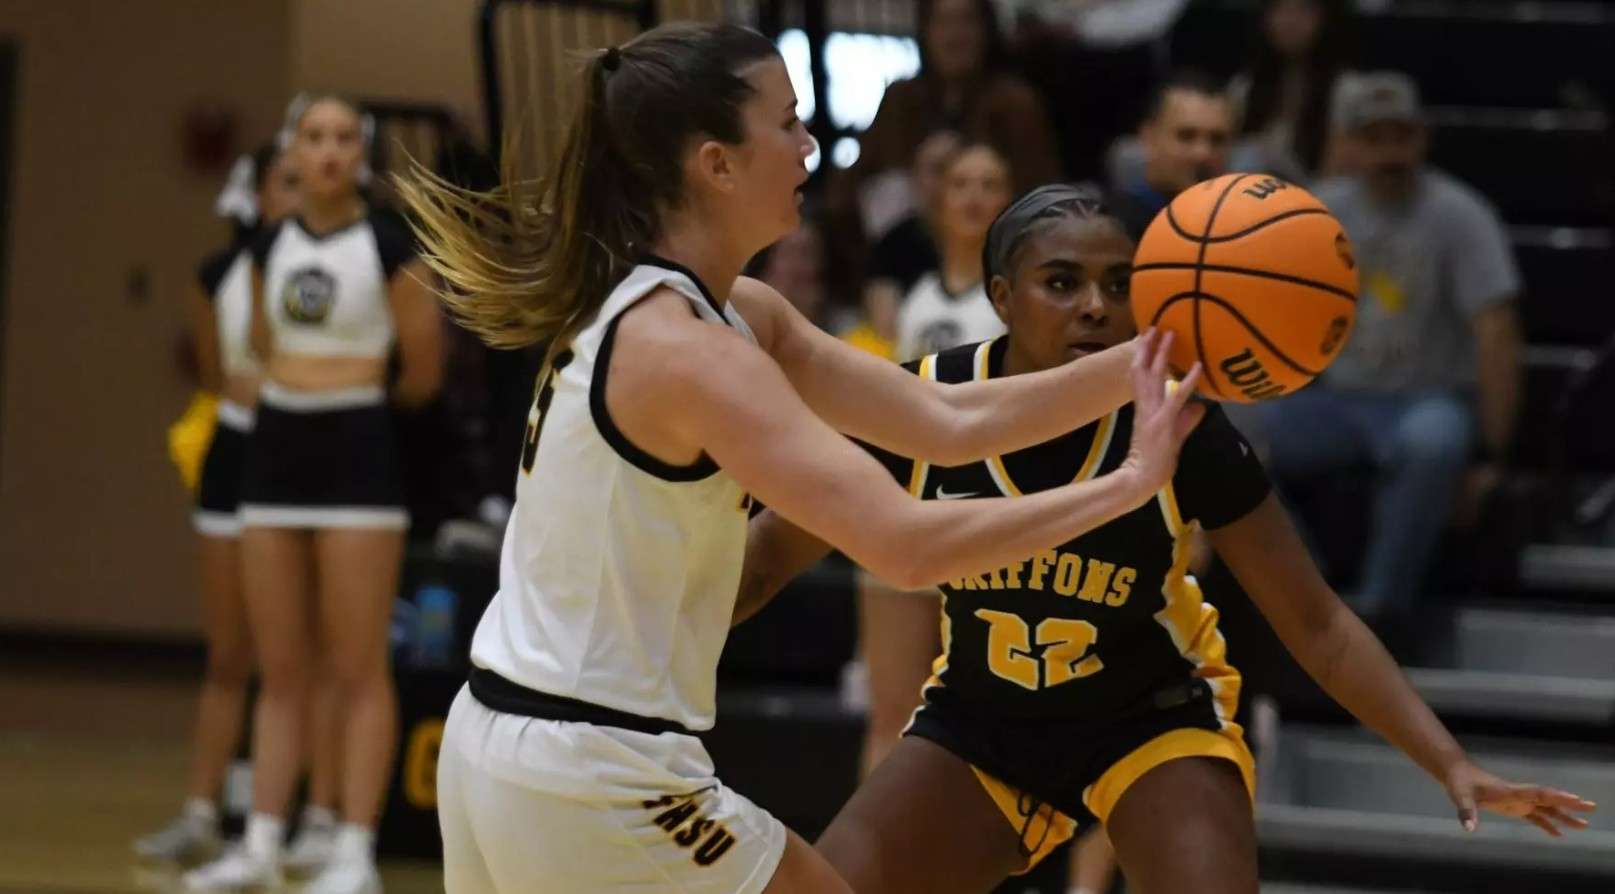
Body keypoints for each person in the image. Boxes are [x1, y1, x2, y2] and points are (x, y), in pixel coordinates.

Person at [396, 23, 1205, 893]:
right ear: (717, 163)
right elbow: (903, 544)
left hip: (506, 744)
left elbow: (944, 418)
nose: (811, 144)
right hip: (590, 762)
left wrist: (1153, 364)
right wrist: (1128, 485)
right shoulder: (688, 354)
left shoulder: (724, 312)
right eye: (788, 122)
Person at [734, 184, 1595, 894]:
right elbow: (771, 556)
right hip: (982, 718)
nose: (1096, 308)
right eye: (1061, 283)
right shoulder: (910, 409)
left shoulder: (1184, 426)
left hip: (1150, 720)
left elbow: (1319, 627)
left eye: (1119, 285)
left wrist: (1446, 763)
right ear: (1000, 298)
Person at [183, 94, 443, 894]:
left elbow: (421, 375)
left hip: (358, 467)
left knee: (358, 666)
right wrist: (317, 375)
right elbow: (260, 352)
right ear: (290, 153)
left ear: (359, 155)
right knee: (281, 668)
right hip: (273, 466)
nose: (327, 152)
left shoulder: (393, 246)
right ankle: (261, 841)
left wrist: (338, 380)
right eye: (313, 137)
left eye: (342, 138)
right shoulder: (264, 245)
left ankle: (353, 850)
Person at [1236, 72, 1524, 625]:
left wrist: (1492, 454)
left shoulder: (1462, 214)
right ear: (1348, 144)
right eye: (1374, 138)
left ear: (1423, 139)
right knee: (1231, 423)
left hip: (1431, 398)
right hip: (1340, 402)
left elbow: (1497, 331)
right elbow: (1272, 310)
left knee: (1432, 442)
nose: (1390, 152)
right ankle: (1307, 601)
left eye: (1401, 137)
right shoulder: (1320, 209)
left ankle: (1381, 611)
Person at [135, 143, 301, 865]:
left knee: (306, 659)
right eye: (283, 182)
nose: (295, 195)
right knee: (230, 652)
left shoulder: (355, 262)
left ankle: (313, 820)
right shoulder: (219, 274)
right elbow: (213, 372)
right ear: (256, 193)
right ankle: (202, 813)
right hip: (236, 457)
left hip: (310, 460)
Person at [894, 141, 1014, 361]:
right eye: (960, 184)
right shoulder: (917, 299)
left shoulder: (1018, 298)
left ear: (1009, 204)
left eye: (989, 185)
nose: (973, 197)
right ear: (940, 203)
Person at [1228, 0, 1358, 182]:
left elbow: (1336, 179)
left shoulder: (1348, 90)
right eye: (1280, 9)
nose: (1291, 21)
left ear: (1325, 19)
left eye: (1304, 9)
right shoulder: (1244, 87)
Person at [1106, 71, 1232, 238]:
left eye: (1217, 140)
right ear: (1148, 137)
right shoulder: (1114, 229)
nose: (1202, 153)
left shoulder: (1248, 222)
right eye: (1186, 136)